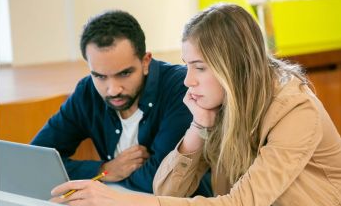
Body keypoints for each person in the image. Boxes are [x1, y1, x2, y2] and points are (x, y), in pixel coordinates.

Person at [51, 3, 341, 206]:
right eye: (186, 66)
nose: (188, 80)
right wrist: (199, 126)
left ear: (234, 67)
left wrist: (123, 204)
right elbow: (167, 192)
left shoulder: (295, 109)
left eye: (199, 68)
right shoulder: (223, 102)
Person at [32, 10, 212, 195]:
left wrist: (111, 175)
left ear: (145, 61)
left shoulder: (180, 86)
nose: (113, 89)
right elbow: (36, 160)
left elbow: (162, 181)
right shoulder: (88, 91)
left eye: (124, 73)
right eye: (100, 76)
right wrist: (104, 171)